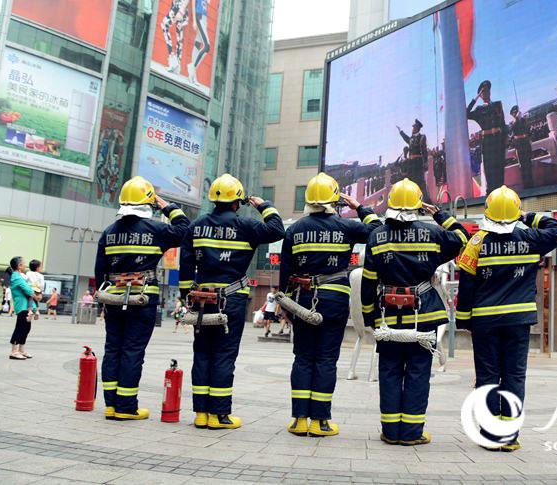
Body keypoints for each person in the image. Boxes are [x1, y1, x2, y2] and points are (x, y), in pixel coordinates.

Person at [456, 185, 557, 451]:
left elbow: (466, 286)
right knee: (514, 376)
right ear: (516, 212)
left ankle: (490, 435)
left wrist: (464, 322)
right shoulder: (531, 237)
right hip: (518, 321)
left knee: (487, 377)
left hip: (485, 322)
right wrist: (528, 216)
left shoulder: (477, 242)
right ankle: (509, 437)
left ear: (488, 212)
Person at [361, 178, 468, 446]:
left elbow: (368, 283)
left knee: (389, 373)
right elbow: (463, 238)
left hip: (387, 317)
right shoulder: (433, 234)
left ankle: (390, 431)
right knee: (418, 373)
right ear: (418, 207)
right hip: (425, 315)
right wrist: (442, 215)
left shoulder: (376, 236)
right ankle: (411, 433)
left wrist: (370, 318)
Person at [179, 173, 284, 430]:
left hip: (202, 299)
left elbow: (185, 264)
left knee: (202, 353)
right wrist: (263, 205)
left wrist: (186, 296)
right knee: (224, 355)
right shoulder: (246, 225)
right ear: (238, 200)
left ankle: (201, 413)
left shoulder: (197, 225)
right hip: (232, 299)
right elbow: (277, 229)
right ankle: (220, 415)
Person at [280, 172, 382, 437]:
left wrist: (285, 303)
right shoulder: (345, 226)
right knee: (326, 359)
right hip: (334, 299)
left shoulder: (294, 230)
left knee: (303, 358)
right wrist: (359, 207)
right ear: (333, 201)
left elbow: (285, 272)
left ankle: (299, 419)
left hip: (302, 298)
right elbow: (375, 229)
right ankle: (320, 421)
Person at [95, 176, 190, 421]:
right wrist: (166, 206)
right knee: (132, 350)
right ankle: (127, 407)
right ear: (148, 202)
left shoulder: (108, 232)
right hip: (143, 298)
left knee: (112, 349)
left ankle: (111, 405)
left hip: (114, 298)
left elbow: (99, 271)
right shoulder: (156, 230)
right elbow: (184, 229)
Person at [467, 80, 507, 193]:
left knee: (499, 171)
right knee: (489, 171)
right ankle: (491, 197)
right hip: (487, 143)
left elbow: (503, 125)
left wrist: (505, 143)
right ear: (480, 95)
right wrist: (475, 98)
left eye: (487, 90)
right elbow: (466, 113)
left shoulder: (497, 105)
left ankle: (501, 195)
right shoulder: (479, 110)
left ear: (490, 92)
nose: (485, 93)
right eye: (482, 92)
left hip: (498, 141)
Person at [161, 0, 194, 73]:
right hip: (176, 3)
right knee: (178, 34)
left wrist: (181, 11)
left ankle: (172, 58)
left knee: (164, 24)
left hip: (180, 6)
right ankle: (176, 64)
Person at [7, 256, 42, 360]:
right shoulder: (16, 276)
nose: (25, 265)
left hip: (26, 306)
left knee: (26, 328)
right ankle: (14, 351)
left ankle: (21, 350)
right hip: (22, 305)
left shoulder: (19, 275)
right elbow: (27, 288)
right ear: (19, 266)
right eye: (23, 263)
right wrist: (36, 296)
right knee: (20, 327)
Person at [187, 0, 211, 85]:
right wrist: (195, 21)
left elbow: (209, 1)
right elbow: (192, 0)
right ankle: (192, 67)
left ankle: (192, 76)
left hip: (204, 17)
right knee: (207, 46)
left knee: (197, 44)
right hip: (199, 16)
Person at [397, 120, 431, 204]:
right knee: (410, 182)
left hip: (418, 162)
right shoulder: (411, 139)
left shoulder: (422, 137)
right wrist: (400, 131)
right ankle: (412, 202)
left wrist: (425, 162)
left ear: (417, 128)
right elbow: (406, 138)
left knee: (421, 183)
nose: (412, 129)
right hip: (411, 164)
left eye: (414, 127)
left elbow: (424, 150)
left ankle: (428, 202)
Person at [509, 106, 533, 189]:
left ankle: (531, 184)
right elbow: (512, 131)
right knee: (522, 166)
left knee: (529, 164)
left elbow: (528, 130)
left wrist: (520, 119)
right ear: (512, 114)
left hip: (526, 143)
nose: (516, 114)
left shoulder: (523, 120)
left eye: (517, 112)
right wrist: (516, 120)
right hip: (519, 146)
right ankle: (526, 185)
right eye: (514, 113)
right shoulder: (512, 123)